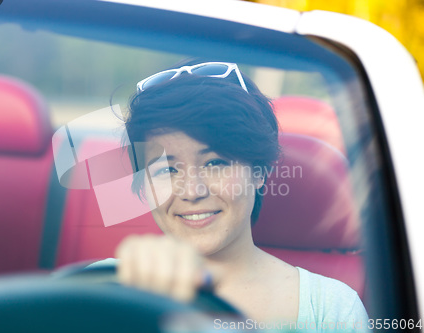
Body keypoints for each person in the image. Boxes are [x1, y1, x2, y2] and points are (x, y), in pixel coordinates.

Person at [98, 61, 368, 330]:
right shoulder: (98, 288)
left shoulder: (333, 310)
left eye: (215, 163)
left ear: (259, 172)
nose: (192, 191)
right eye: (167, 169)